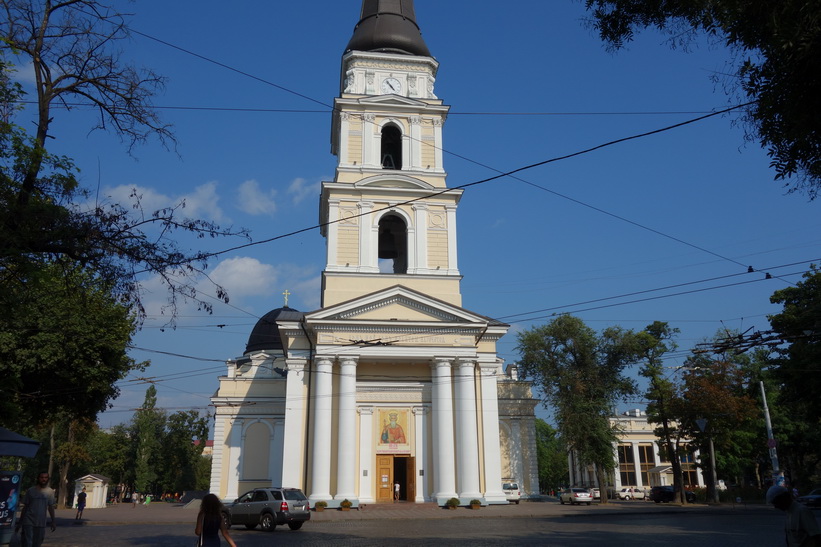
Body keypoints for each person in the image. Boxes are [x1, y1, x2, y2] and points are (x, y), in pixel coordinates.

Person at [15, 472, 56, 547]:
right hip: (28, 520)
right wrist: (20, 522)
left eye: (45, 477)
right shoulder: (31, 491)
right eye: (42, 477)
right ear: (38, 478)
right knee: (27, 542)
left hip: (41, 522)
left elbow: (51, 507)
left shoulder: (50, 492)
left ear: (48, 479)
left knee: (37, 543)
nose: (43, 479)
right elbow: (25, 506)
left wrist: (53, 521)